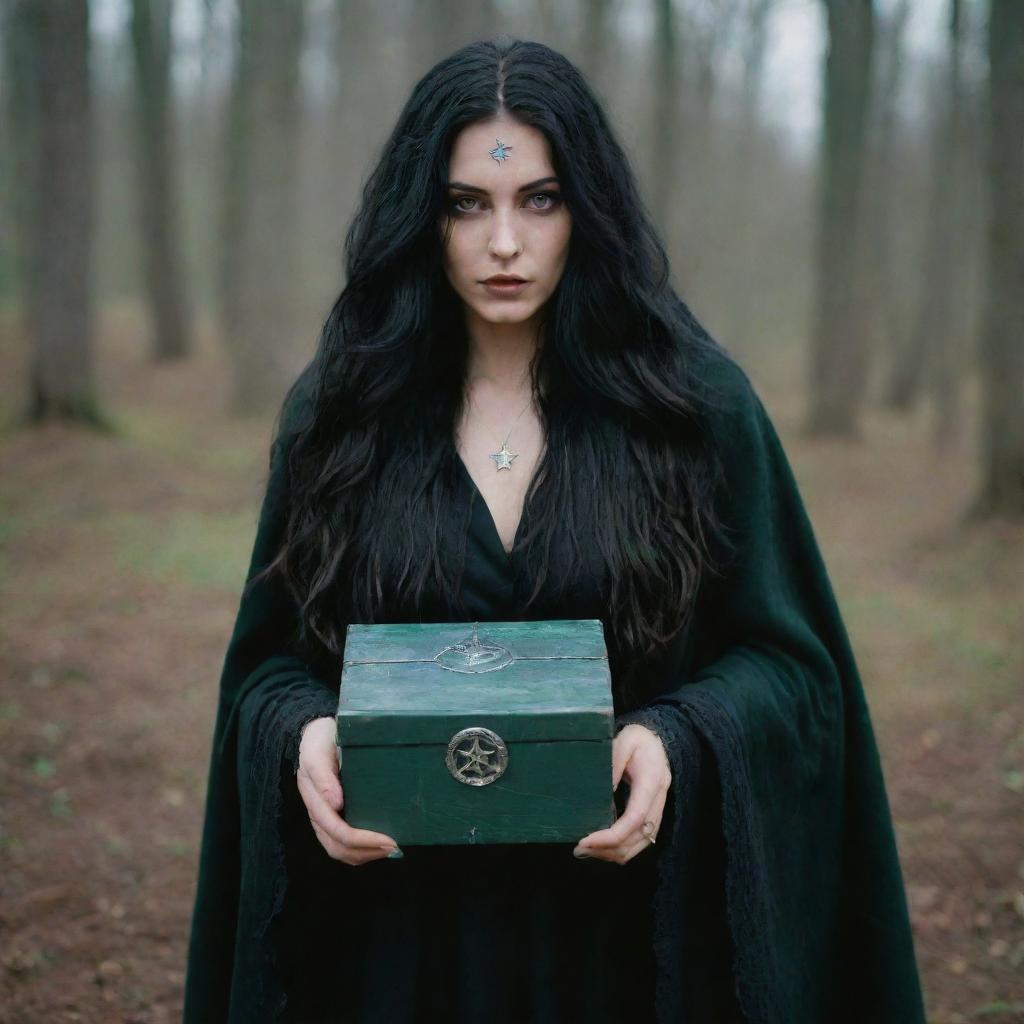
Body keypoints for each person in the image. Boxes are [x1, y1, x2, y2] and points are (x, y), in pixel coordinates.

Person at [183, 36, 927, 1024]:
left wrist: (675, 737)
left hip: (626, 942)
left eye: (540, 199)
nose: (504, 243)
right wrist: (303, 732)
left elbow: (792, 666)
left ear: (588, 210)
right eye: (467, 203)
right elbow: (270, 661)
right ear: (421, 216)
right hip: (398, 944)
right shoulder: (342, 414)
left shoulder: (691, 408)